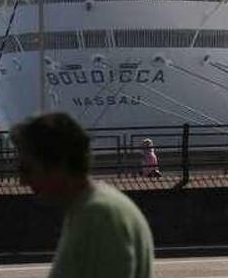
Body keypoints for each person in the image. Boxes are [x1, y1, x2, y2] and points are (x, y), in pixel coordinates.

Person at [10, 113, 154, 278]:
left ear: (59, 164)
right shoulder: (90, 209)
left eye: (26, 169)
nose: (22, 181)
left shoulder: (99, 216)